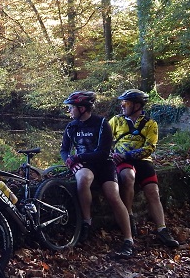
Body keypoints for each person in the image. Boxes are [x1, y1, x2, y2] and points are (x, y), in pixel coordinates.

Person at [60, 90, 136, 258]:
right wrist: (69, 161)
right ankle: (86, 222)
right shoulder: (71, 126)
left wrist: (77, 157)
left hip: (104, 164)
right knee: (83, 179)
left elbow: (103, 152)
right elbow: (64, 150)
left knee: (113, 195)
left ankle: (128, 239)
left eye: (71, 107)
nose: (69, 111)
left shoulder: (101, 124)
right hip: (85, 165)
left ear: (82, 108)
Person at [109, 89, 180, 249]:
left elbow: (150, 148)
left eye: (126, 103)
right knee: (128, 176)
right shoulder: (116, 121)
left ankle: (162, 229)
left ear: (137, 105)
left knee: (153, 191)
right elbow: (104, 140)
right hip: (121, 161)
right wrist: (112, 154)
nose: (122, 105)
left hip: (142, 160)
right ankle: (129, 216)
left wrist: (128, 155)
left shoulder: (150, 124)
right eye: (123, 102)